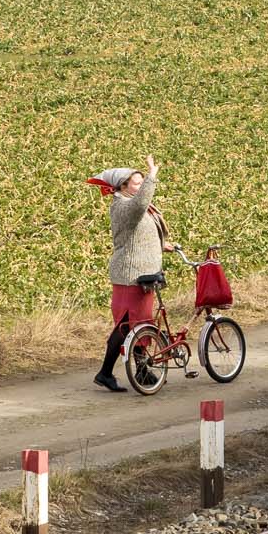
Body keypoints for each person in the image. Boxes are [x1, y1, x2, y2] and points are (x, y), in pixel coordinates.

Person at [89, 156, 165, 392]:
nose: (140, 186)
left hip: (141, 273)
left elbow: (140, 233)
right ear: (123, 187)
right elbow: (140, 205)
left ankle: (138, 371)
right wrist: (152, 176)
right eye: (136, 183)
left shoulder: (129, 203)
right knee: (127, 325)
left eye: (142, 181)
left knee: (135, 324)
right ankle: (106, 373)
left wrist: (163, 245)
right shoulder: (123, 205)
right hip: (131, 275)